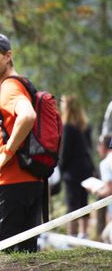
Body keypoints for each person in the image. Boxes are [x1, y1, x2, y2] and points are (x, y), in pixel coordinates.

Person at [0, 32, 42, 253]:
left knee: (1, 250)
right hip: (30, 180)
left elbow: (28, 115)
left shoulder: (9, 88)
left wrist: (7, 151)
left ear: (8, 56)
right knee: (25, 256)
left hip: (9, 183)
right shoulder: (21, 84)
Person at [58, 94, 94, 238]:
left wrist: (60, 169)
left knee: (72, 202)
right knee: (84, 201)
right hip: (86, 168)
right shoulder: (85, 126)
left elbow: (65, 152)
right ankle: (83, 234)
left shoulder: (67, 127)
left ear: (66, 108)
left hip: (72, 171)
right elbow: (89, 148)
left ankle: (71, 236)